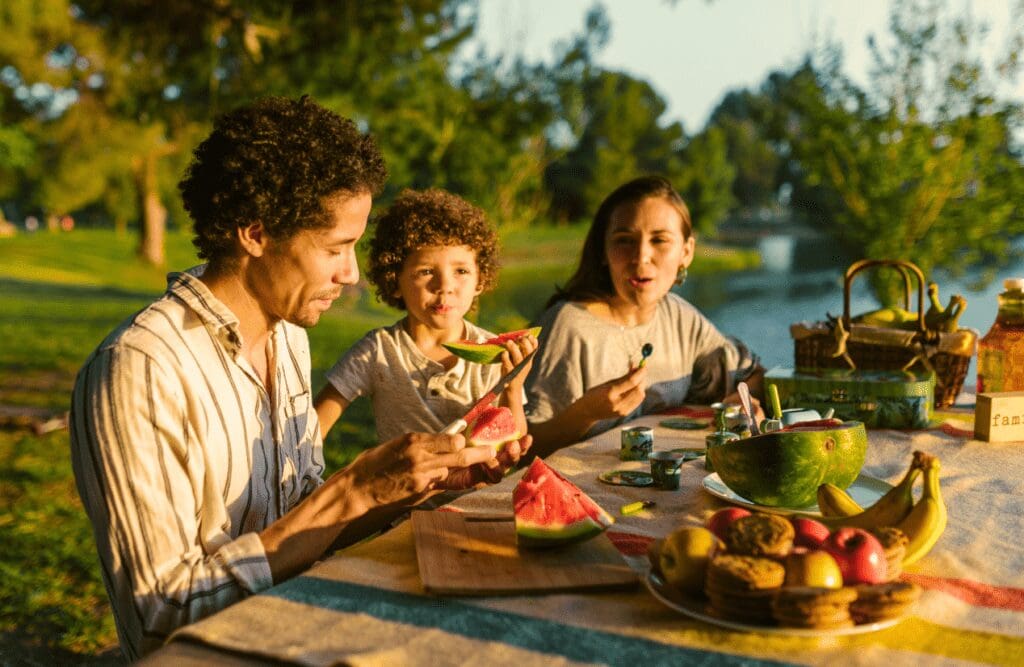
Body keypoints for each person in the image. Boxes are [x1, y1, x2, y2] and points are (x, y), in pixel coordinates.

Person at [69, 96, 530, 660]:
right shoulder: (138, 372)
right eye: (336, 247)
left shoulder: (288, 333)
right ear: (256, 234)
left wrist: (420, 484)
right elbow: (159, 616)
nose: (353, 272)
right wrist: (350, 492)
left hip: (303, 635)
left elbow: (301, 526)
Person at [524, 175, 763, 458]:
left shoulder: (678, 315)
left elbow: (750, 373)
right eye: (624, 240)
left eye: (659, 240)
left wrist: (746, 402)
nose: (641, 256)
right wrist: (586, 413)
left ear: (686, 252)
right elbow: (524, 449)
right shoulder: (568, 326)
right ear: (603, 250)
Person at [314, 188, 536, 443]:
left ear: (480, 281)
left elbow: (513, 442)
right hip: (399, 483)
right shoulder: (377, 351)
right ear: (394, 280)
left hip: (478, 484)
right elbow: (316, 425)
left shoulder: (494, 355)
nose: (445, 285)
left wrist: (513, 387)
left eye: (461, 271)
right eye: (426, 271)